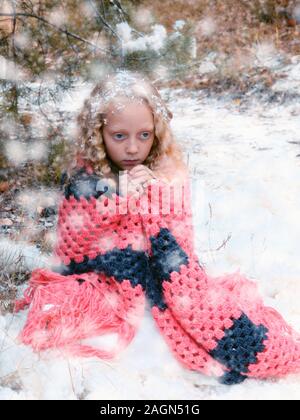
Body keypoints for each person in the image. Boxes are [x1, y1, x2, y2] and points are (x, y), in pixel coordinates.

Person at [15, 70, 300, 385]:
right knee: (91, 332)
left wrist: (153, 197)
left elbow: (179, 247)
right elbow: (75, 249)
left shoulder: (168, 174)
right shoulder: (85, 179)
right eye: (119, 136)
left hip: (160, 283)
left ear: (157, 132)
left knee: (181, 330)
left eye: (144, 135)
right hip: (104, 282)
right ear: (98, 133)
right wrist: (116, 197)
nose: (133, 148)